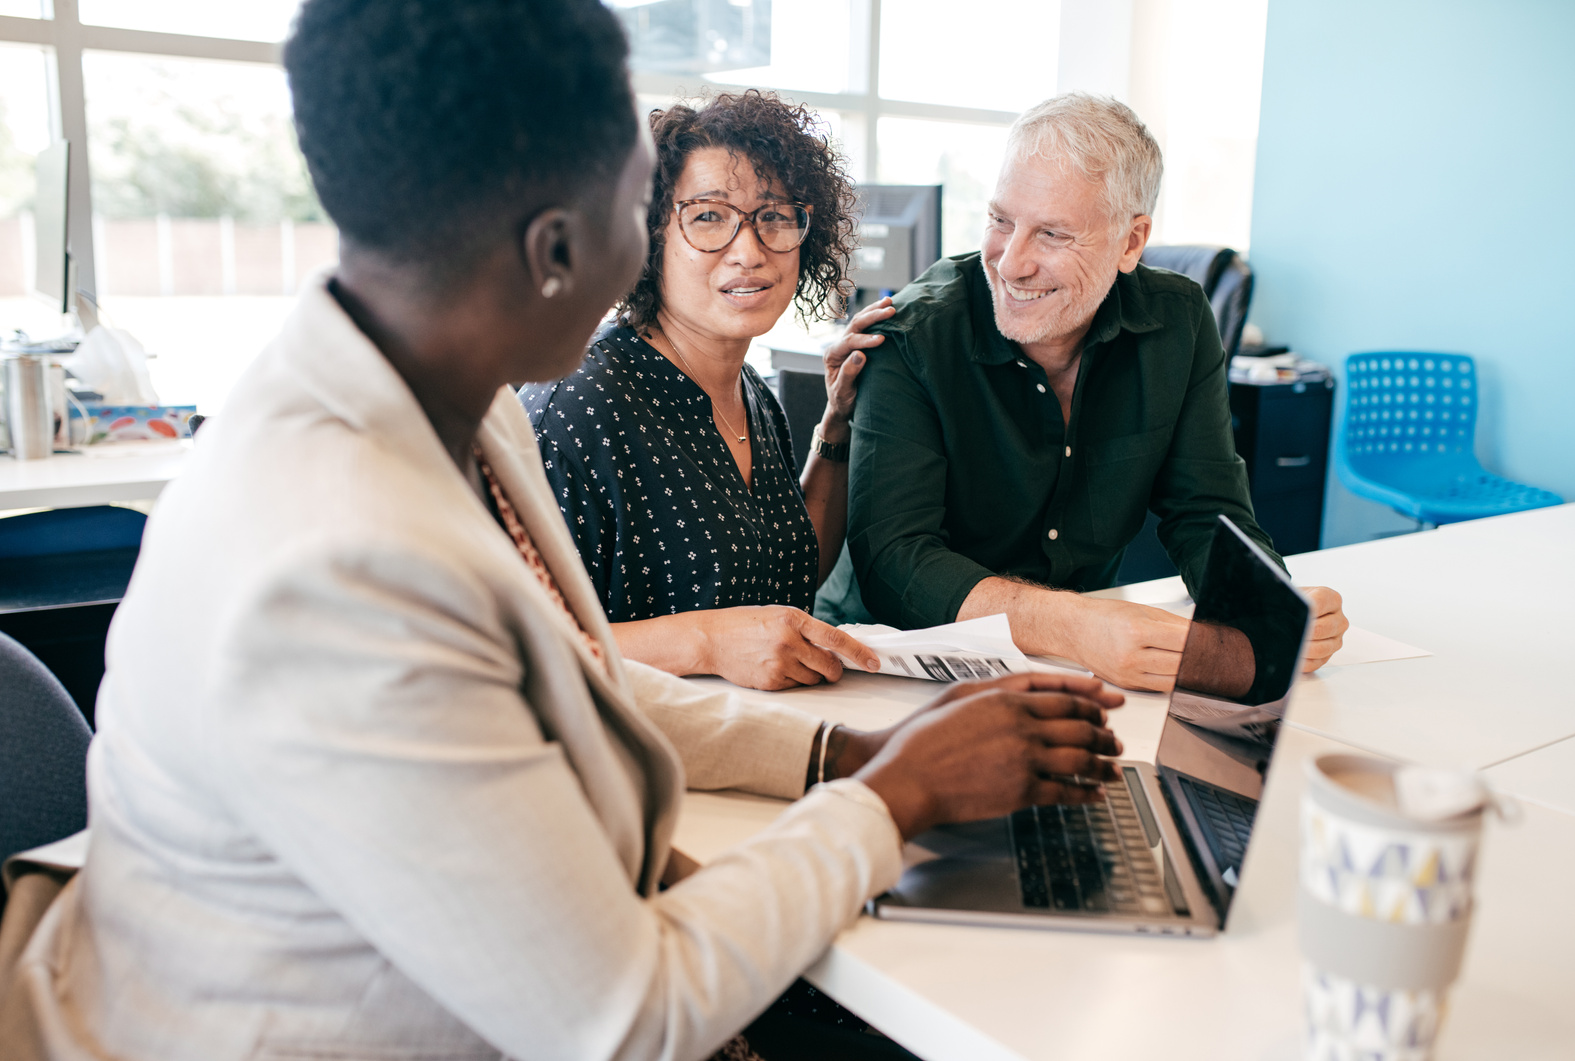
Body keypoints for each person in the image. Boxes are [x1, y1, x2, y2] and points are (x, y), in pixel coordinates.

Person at [0, 5, 1128, 1061]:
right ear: (557, 246)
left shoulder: (450, 392)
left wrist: (845, 753)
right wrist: (894, 798)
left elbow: (566, 674)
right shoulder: (334, 563)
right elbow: (622, 1012)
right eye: (652, 197)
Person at [818, 94, 1348, 692]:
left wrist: (1265, 606)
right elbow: (895, 563)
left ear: (1131, 242)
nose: (1011, 263)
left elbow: (1206, 511)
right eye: (1000, 221)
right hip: (892, 661)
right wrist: (1076, 625)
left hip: (1074, 663)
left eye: (1052, 233)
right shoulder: (912, 335)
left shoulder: (1179, 320)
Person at [522, 91, 897, 691]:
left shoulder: (748, 390)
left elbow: (783, 580)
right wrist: (706, 642)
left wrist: (836, 427)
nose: (749, 251)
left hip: (751, 740)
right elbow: (520, 646)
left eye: (773, 216)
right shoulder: (579, 408)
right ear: (646, 238)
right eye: (708, 217)